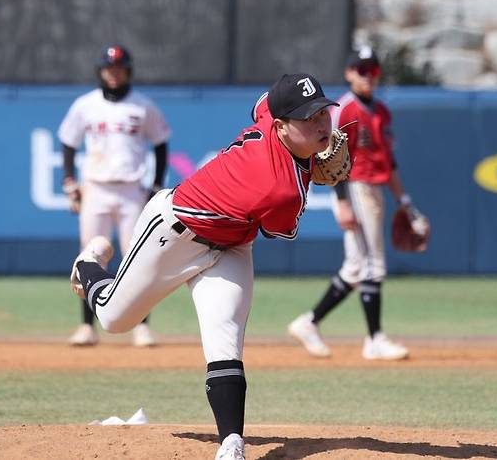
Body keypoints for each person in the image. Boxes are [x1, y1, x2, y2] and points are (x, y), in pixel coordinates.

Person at [69, 73, 340, 460]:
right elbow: (279, 228)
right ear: (280, 126)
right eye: (307, 117)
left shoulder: (269, 115)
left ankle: (231, 444)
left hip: (231, 248)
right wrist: (313, 171)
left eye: (322, 112)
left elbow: (262, 102)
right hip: (174, 232)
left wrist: (306, 151)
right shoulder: (283, 189)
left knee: (225, 337)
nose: (320, 122)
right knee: (114, 319)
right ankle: (88, 266)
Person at [288, 46, 418, 361]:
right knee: (373, 264)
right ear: (349, 74)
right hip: (355, 187)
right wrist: (342, 202)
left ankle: (310, 322)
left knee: (357, 266)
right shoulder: (345, 109)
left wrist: (405, 201)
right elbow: (331, 159)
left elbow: (390, 161)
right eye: (362, 70)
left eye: (373, 70)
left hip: (376, 189)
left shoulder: (382, 111)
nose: (368, 76)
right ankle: (374, 339)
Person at [58, 44, 171, 347]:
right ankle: (86, 326)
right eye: (109, 69)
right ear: (100, 71)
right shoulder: (86, 105)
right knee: (88, 255)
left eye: (119, 69)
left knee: (139, 256)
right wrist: (70, 182)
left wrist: (157, 184)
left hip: (132, 190)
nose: (114, 74)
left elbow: (161, 143)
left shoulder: (142, 106)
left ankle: (142, 327)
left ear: (128, 71)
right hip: (95, 187)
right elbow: (68, 142)